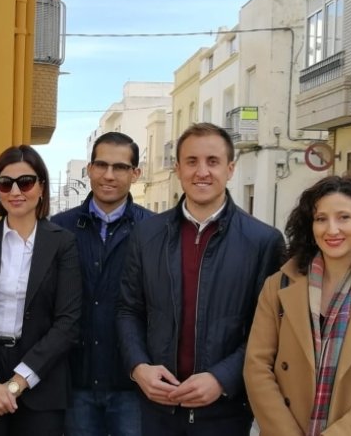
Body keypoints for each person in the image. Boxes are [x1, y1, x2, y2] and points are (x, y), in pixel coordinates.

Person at [117, 122, 284, 435]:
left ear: (230, 169)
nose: (202, 172)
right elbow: (129, 310)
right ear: (178, 169)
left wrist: (223, 378)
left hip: (225, 411)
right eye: (191, 162)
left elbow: (270, 328)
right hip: (157, 408)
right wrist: (139, 367)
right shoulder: (146, 235)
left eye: (213, 161)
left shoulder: (264, 242)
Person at [244, 174, 351, 435]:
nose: (331, 230)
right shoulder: (278, 286)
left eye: (343, 217)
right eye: (321, 219)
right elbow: (257, 368)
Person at [0, 145, 80, 434]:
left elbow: (68, 321)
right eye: (5, 183)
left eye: (26, 182)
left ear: (42, 188)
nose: (15, 191)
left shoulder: (63, 243)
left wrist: (16, 384)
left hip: (41, 374)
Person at [52, 131, 150, 436]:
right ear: (90, 169)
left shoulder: (155, 231)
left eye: (120, 167)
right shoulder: (59, 228)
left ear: (135, 173)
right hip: (74, 382)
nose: (109, 175)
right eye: (101, 165)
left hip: (132, 384)